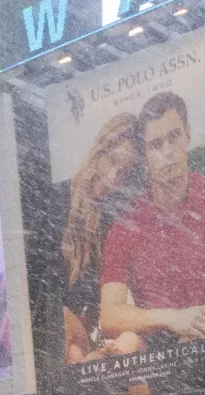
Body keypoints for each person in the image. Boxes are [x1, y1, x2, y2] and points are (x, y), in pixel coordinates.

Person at [98, 92, 205, 353]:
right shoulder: (126, 225)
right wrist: (173, 318)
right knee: (126, 346)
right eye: (156, 144)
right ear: (145, 154)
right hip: (153, 350)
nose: (168, 152)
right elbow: (109, 315)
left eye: (173, 137)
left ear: (187, 134)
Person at [61, 113, 142, 364]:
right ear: (99, 150)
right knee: (66, 334)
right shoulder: (58, 202)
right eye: (112, 161)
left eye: (124, 172)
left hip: (97, 338)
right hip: (65, 335)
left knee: (81, 355)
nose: (113, 177)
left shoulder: (117, 220)